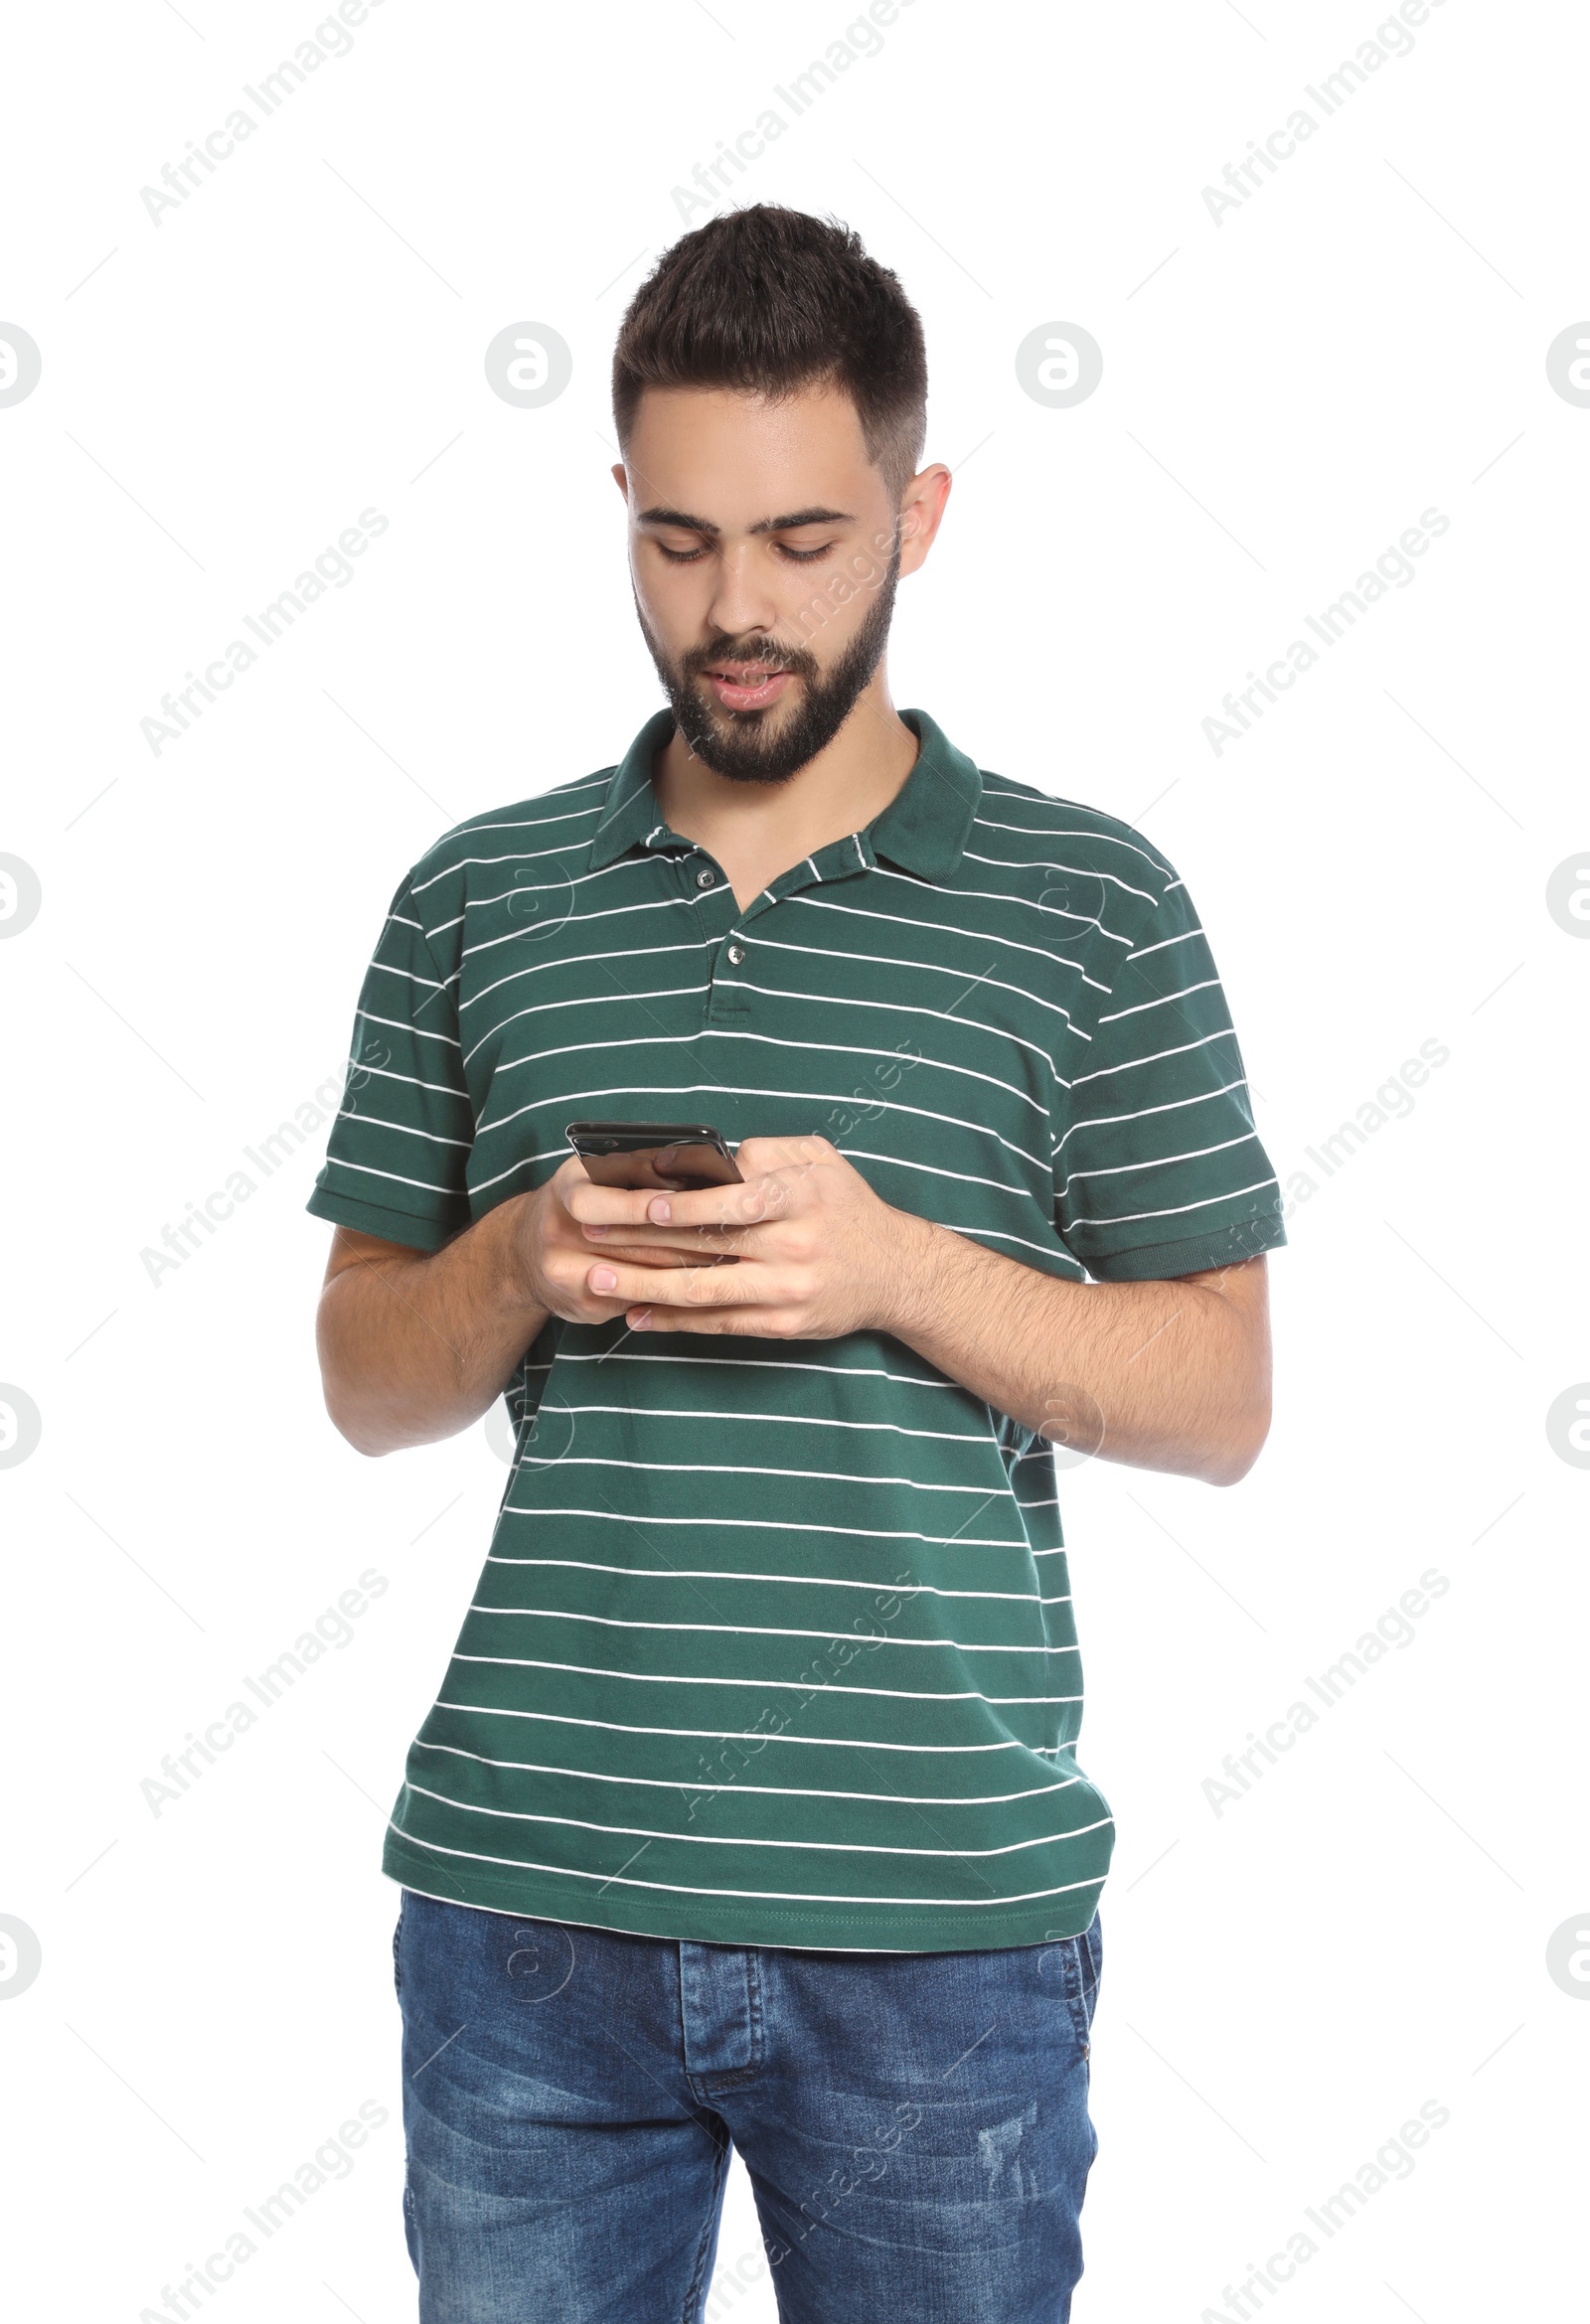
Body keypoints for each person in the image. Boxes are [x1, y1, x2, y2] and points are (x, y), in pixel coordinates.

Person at [307, 202, 1284, 2324]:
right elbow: (366, 1378)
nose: (734, 608)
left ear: (917, 513)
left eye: (802, 541)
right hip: (527, 1920)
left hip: (936, 1930)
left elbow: (1220, 1403)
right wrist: (521, 1255)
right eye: (677, 541)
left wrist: (894, 1267)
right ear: (621, 513)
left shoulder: (1087, 903)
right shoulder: (476, 895)